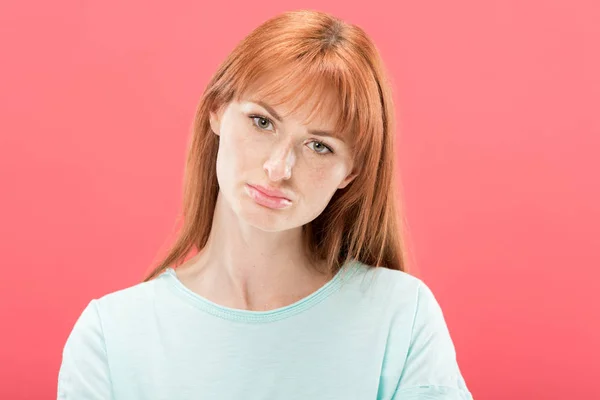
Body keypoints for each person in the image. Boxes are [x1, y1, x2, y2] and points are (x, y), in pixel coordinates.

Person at [57, 9, 473, 400]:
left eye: (319, 146)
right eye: (262, 122)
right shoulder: (110, 338)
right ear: (218, 110)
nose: (279, 168)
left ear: (351, 172)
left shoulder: (400, 317)